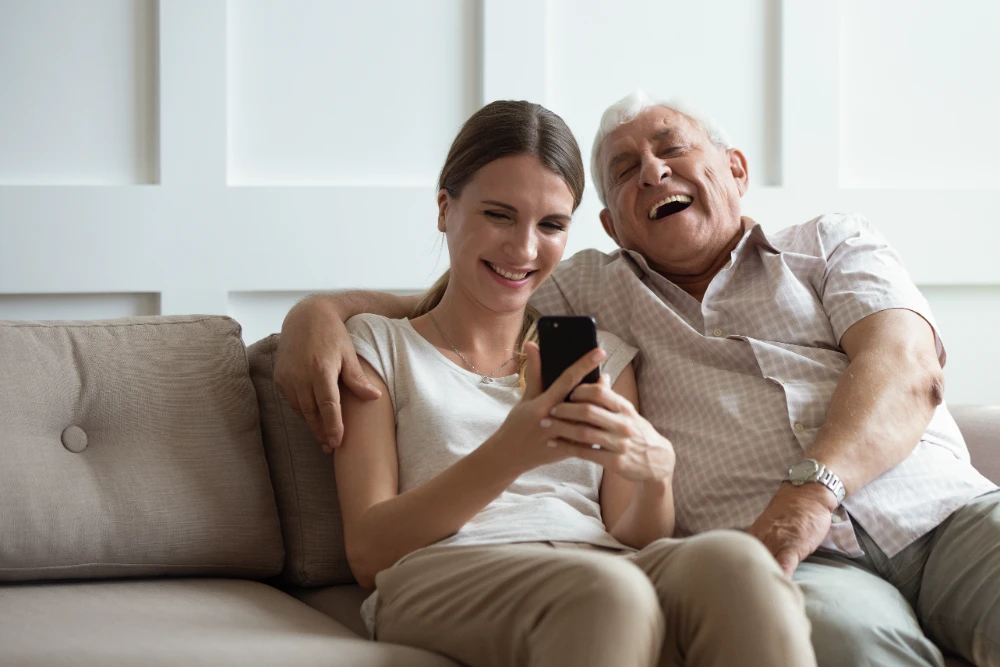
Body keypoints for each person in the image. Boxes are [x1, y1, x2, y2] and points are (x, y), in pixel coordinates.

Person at [276, 91, 1000, 667]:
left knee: (730, 565)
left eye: (673, 148)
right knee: (666, 593)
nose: (652, 171)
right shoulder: (411, 339)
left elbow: (906, 367)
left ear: (737, 169)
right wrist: (320, 312)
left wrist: (663, 471)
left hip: (933, 511)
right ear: (615, 227)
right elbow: (470, 295)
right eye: (625, 170)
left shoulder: (820, 249)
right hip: (506, 570)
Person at [329, 99, 815, 667]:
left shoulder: (602, 356)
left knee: (739, 564)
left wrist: (657, 477)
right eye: (499, 215)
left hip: (603, 561)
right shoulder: (377, 346)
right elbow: (368, 551)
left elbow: (632, 534)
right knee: (609, 592)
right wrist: (512, 451)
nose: (525, 249)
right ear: (445, 209)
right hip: (450, 570)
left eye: (552, 224)